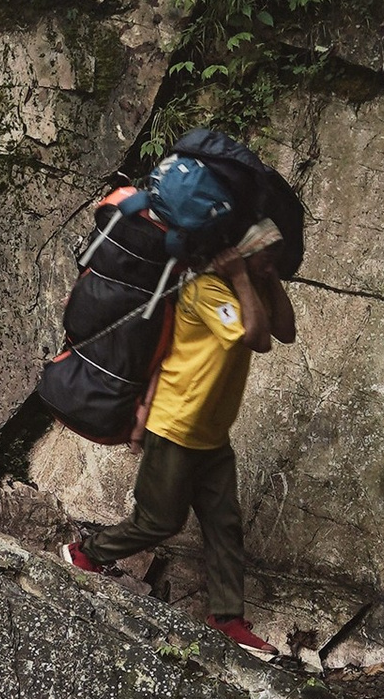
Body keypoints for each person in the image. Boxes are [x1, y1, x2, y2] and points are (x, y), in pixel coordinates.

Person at [67, 223, 296, 653]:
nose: (271, 263)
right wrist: (246, 276)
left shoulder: (251, 287)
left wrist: (268, 276)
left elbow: (285, 330)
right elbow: (257, 338)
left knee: (225, 525)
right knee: (158, 522)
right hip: (175, 427)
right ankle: (86, 552)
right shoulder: (208, 291)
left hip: (210, 435)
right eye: (264, 255)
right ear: (235, 257)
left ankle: (227, 618)